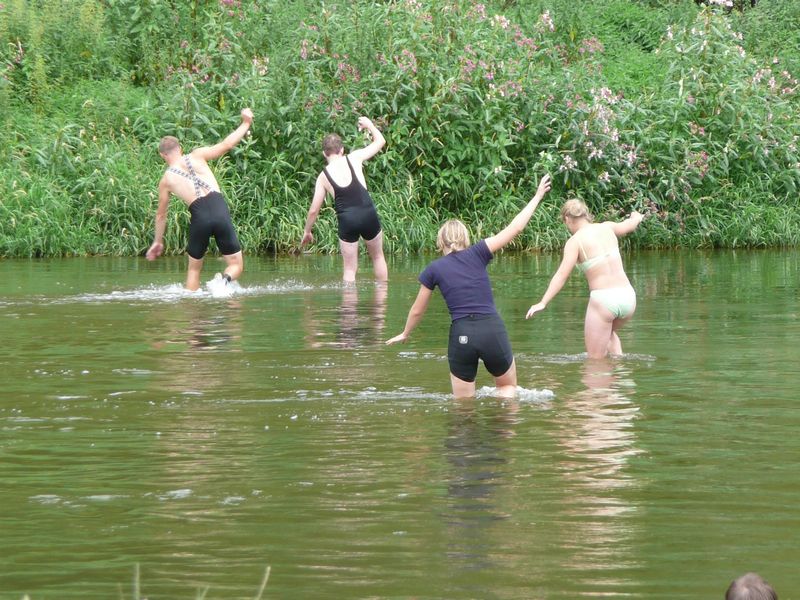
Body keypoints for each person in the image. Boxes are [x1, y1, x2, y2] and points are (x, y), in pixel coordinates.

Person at [386, 175, 552, 398]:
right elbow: (516, 228)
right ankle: (503, 429)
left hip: (462, 334)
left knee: (463, 405)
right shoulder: (479, 251)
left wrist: (405, 333)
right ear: (466, 238)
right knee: (507, 389)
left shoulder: (433, 269)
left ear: (440, 242)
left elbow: (417, 309)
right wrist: (538, 195)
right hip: (491, 329)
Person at [146, 108, 254, 291]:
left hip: (199, 217)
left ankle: (193, 310)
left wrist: (158, 241)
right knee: (236, 265)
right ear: (180, 148)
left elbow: (161, 215)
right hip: (219, 208)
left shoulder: (166, 180)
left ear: (162, 156)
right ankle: (222, 283)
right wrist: (246, 123)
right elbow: (227, 145)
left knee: (194, 270)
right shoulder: (197, 155)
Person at [526, 199, 643, 359]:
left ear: (567, 219)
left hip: (605, 301)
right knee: (607, 333)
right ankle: (620, 372)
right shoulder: (607, 227)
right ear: (586, 215)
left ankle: (601, 380)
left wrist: (543, 302)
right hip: (628, 297)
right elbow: (629, 224)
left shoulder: (575, 242)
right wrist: (636, 217)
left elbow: (561, 275)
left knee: (595, 361)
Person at [301, 117, 388, 283]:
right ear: (342, 150)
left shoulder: (323, 177)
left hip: (347, 220)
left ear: (324, 154)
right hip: (367, 212)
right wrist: (369, 125)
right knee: (377, 257)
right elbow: (381, 141)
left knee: (349, 269)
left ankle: (349, 308)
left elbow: (313, 210)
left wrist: (307, 231)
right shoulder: (354, 157)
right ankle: (380, 306)